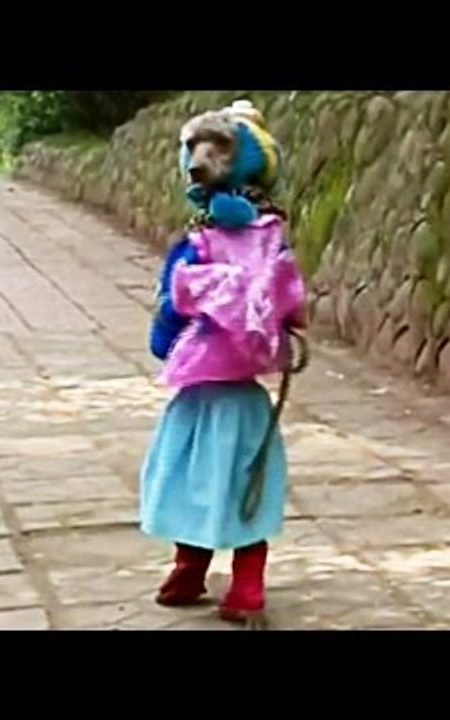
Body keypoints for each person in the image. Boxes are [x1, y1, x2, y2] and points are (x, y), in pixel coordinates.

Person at [140, 100, 307, 623]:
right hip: (243, 397)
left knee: (193, 480)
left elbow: (170, 310)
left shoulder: (198, 243)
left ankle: (193, 569)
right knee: (246, 483)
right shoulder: (272, 238)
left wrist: (166, 336)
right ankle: (242, 584)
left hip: (201, 393)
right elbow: (291, 304)